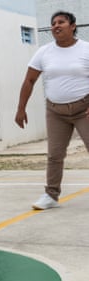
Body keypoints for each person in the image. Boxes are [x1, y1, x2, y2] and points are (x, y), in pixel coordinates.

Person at [15, 11, 89, 210]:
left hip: (84, 109)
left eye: (61, 22)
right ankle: (51, 195)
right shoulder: (44, 52)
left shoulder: (85, 49)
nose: (56, 25)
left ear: (73, 26)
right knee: (54, 155)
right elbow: (29, 80)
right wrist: (20, 109)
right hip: (56, 111)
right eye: (53, 23)